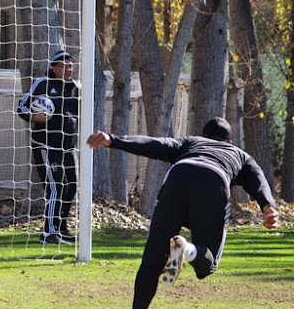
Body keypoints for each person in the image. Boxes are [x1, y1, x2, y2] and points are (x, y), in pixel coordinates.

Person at [86, 117, 280, 309]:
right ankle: (187, 250)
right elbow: (258, 180)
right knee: (207, 264)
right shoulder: (240, 154)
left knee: (152, 260)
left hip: (178, 178)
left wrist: (112, 139)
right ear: (230, 142)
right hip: (213, 182)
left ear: (203, 136)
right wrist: (267, 206)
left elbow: (154, 144)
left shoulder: (190, 142)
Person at [17, 50, 81, 244]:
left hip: (68, 148)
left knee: (71, 187)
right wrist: (34, 117)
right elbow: (22, 106)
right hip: (46, 146)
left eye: (70, 65)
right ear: (54, 68)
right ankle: (49, 233)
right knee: (55, 186)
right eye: (63, 66)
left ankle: (61, 229)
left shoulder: (76, 87)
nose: (68, 69)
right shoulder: (43, 83)